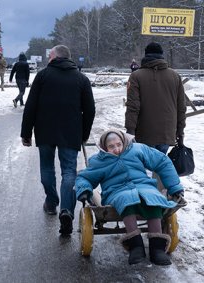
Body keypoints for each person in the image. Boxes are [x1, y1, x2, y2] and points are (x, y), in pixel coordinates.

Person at [75, 129, 184, 265]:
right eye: (111, 147)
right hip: (116, 191)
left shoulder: (137, 149)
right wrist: (84, 189)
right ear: (104, 147)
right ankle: (136, 246)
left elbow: (162, 161)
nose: (116, 149)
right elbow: (84, 177)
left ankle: (157, 248)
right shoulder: (99, 161)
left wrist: (175, 187)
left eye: (118, 144)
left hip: (143, 186)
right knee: (126, 199)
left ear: (123, 141)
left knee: (153, 198)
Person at [20, 45, 96, 235]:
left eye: (50, 55)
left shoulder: (43, 76)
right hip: (70, 132)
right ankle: (67, 211)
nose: (48, 58)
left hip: (45, 131)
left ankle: (52, 203)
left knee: (46, 168)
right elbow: (90, 110)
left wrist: (26, 133)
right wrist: (84, 134)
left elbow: (30, 106)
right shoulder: (81, 79)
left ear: (55, 57)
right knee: (69, 171)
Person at [125, 42, 187, 154]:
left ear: (146, 55)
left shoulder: (136, 76)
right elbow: (181, 107)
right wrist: (180, 130)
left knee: (143, 167)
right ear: (162, 55)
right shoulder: (175, 76)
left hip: (144, 132)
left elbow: (133, 106)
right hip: (167, 133)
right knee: (160, 166)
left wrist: (130, 130)